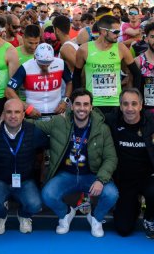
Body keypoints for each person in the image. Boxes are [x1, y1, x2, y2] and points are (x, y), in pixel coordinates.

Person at [37, 90, 119, 237]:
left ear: (91, 107)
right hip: (66, 175)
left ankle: (95, 218)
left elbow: (111, 158)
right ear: (72, 107)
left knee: (112, 194)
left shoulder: (102, 129)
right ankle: (66, 213)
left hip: (92, 176)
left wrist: (101, 179)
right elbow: (33, 125)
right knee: (47, 195)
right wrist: (9, 117)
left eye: (86, 104)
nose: (82, 108)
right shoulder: (58, 122)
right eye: (78, 104)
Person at [106, 89, 154, 238]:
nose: (130, 108)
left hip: (148, 176)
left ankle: (149, 216)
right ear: (120, 106)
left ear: (141, 105)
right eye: (125, 104)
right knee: (123, 229)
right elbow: (88, 119)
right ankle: (133, 205)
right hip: (125, 180)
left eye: (134, 104)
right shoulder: (111, 121)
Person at [0, 98, 51, 234]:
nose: (13, 116)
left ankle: (24, 215)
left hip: (25, 180)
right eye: (9, 112)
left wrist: (42, 179)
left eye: (17, 112)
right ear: (3, 114)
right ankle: (1, 215)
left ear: (23, 114)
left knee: (35, 205)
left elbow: (45, 151)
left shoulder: (34, 132)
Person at [76, 15, 136, 118]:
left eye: (119, 32)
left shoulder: (120, 48)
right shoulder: (84, 49)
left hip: (115, 104)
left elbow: (136, 73)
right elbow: (76, 76)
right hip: (93, 104)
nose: (118, 35)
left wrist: (133, 97)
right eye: (115, 32)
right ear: (104, 32)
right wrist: (78, 99)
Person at [7, 43, 72, 117]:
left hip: (57, 114)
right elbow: (9, 91)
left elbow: (69, 82)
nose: (45, 66)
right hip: (33, 115)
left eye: (48, 63)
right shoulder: (26, 67)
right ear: (35, 57)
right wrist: (26, 107)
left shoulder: (60, 63)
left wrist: (65, 101)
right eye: (41, 63)